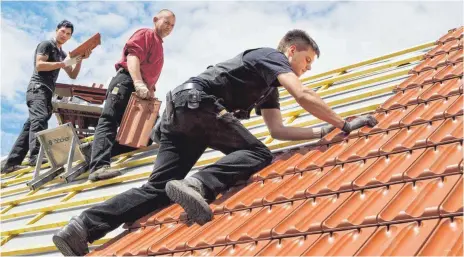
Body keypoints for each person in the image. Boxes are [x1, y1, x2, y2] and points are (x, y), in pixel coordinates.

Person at [53, 29, 378, 256]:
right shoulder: (269, 57)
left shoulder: (268, 86)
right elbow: (303, 94)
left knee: (157, 190)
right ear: (291, 51)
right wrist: (343, 123)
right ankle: (198, 184)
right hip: (197, 103)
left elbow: (278, 129)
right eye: (307, 61)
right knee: (256, 153)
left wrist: (322, 134)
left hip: (180, 111)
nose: (307, 69)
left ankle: (82, 228)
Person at [86, 9, 176, 182]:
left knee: (146, 135)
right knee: (110, 119)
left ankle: (98, 151)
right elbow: (133, 57)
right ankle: (98, 166)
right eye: (166, 22)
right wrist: (138, 83)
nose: (169, 27)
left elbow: (148, 71)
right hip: (127, 81)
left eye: (172, 25)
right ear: (155, 19)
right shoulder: (146, 34)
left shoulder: (159, 45)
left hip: (140, 89)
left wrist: (149, 91)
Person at [1, 20, 91, 174]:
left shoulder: (62, 54)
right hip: (37, 88)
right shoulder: (46, 45)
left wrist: (80, 60)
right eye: (62, 31)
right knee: (40, 119)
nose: (64, 35)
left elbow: (73, 74)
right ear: (57, 30)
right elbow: (39, 65)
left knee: (30, 126)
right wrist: (63, 64)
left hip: (46, 92)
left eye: (68, 34)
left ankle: (11, 163)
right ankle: (35, 156)